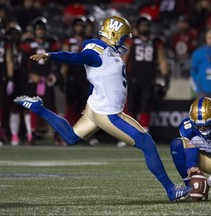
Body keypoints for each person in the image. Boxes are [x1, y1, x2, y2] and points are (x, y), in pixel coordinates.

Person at [14, 15, 192, 201]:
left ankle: (38, 107)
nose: (124, 41)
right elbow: (78, 57)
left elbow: (95, 77)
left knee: (71, 137)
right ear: (113, 34)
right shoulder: (97, 51)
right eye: (122, 37)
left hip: (97, 106)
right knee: (147, 143)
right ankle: (172, 191)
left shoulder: (105, 50)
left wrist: (89, 100)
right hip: (108, 113)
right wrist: (52, 55)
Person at [117, 15, 170, 147]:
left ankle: (143, 134)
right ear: (138, 27)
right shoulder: (131, 42)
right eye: (142, 25)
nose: (144, 28)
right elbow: (123, 59)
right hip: (133, 78)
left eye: (146, 25)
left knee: (146, 106)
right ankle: (128, 135)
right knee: (131, 107)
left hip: (149, 79)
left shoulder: (155, 43)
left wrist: (166, 77)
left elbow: (162, 60)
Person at [20, 17, 60, 145]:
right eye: (38, 29)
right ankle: (31, 134)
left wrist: (54, 75)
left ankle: (56, 135)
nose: (41, 31)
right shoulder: (28, 44)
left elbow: (56, 61)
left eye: (42, 29)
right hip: (34, 80)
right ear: (34, 31)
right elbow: (22, 65)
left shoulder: (51, 42)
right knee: (32, 107)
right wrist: (31, 75)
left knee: (51, 108)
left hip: (47, 80)